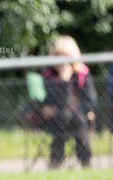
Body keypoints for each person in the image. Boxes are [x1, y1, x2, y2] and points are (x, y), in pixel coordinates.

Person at [37, 35, 96, 168]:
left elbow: (90, 100)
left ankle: (82, 161)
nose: (62, 62)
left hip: (79, 117)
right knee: (64, 116)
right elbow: (55, 101)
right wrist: (64, 81)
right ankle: (59, 161)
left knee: (75, 119)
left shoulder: (82, 74)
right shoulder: (49, 75)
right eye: (58, 56)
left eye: (66, 57)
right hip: (55, 119)